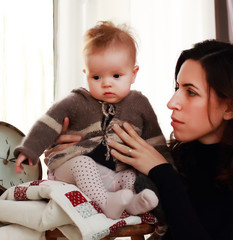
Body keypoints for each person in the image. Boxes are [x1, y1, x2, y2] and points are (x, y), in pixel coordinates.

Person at [46, 40, 233, 240]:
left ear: (231, 108)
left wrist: (163, 173)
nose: (172, 103)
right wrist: (67, 152)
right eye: (177, 88)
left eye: (190, 92)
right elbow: (96, 195)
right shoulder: (173, 158)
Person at [14, 21, 172, 220]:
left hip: (112, 175)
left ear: (133, 73)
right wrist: (29, 150)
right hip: (71, 170)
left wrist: (169, 169)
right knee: (83, 163)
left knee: (130, 175)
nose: (106, 83)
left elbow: (155, 141)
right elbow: (48, 123)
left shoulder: (139, 104)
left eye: (116, 75)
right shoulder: (76, 101)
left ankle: (131, 202)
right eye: (96, 77)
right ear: (86, 74)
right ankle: (106, 203)